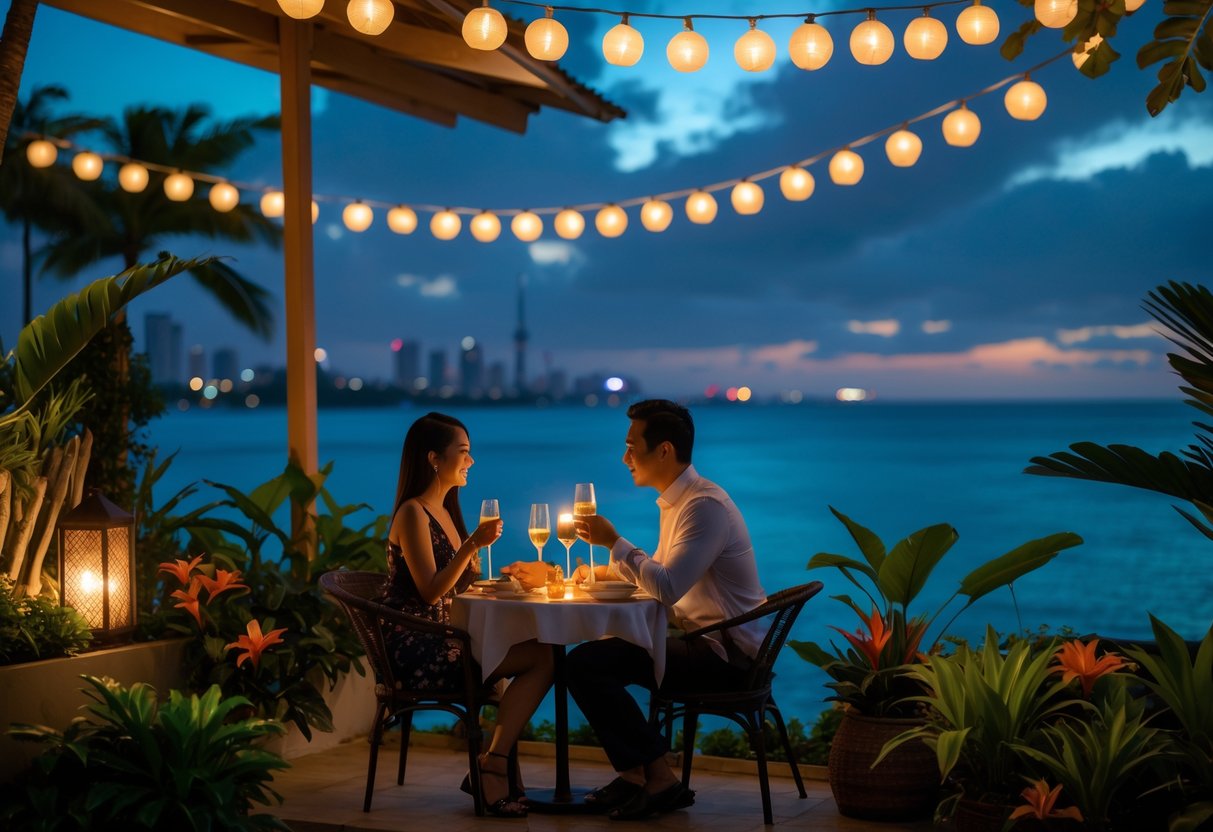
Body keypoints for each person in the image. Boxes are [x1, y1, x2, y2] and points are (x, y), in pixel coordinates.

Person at [566, 399, 767, 821]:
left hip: (727, 657)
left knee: (586, 664)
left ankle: (656, 778)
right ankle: (637, 775)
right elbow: (655, 575)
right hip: (700, 642)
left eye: (630, 446)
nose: (624, 458)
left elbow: (668, 587)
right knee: (591, 659)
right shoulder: (678, 503)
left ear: (664, 450)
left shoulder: (704, 507)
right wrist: (595, 574)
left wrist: (614, 541)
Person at [379, 412, 553, 819]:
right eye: (464, 453)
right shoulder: (412, 513)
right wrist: (471, 545)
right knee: (541, 658)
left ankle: (495, 764)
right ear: (434, 459)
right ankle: (493, 767)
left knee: (541, 654)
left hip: (446, 636)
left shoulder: (445, 512)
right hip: (414, 643)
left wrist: (509, 577)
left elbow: (459, 586)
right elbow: (429, 591)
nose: (471, 461)